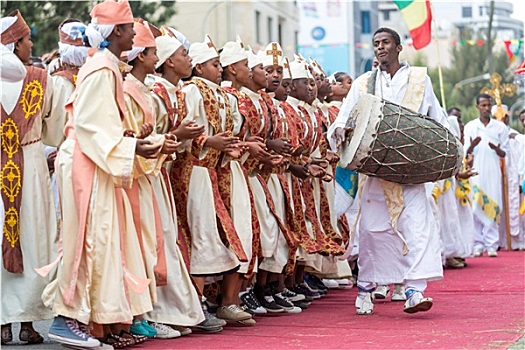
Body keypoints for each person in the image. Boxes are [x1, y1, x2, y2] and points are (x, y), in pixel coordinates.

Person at [46, 1, 162, 348]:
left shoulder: (109, 66)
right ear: (116, 33)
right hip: (87, 163)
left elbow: (105, 125)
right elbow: (89, 125)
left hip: (98, 161)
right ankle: (65, 318)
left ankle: (98, 323)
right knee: (88, 241)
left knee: (107, 243)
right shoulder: (101, 68)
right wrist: (131, 148)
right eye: (128, 28)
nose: (133, 33)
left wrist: (133, 143)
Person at [328, 27, 447, 315]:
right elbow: (341, 121)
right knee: (373, 232)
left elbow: (437, 120)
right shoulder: (363, 83)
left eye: (385, 43)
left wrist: (443, 149)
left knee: (417, 228)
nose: (380, 48)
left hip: (411, 171)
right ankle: (367, 288)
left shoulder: (420, 79)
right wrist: (340, 131)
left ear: (398, 47)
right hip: (375, 173)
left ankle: (414, 292)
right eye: (376, 44)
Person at [1, 9, 62, 345]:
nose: (31, 45)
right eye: (26, 40)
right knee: (34, 238)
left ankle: (2, 323)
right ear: (14, 44)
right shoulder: (40, 78)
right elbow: (55, 127)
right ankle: (27, 323)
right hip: (33, 165)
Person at [463, 95, 509, 257]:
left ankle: (491, 244)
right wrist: (472, 146)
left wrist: (496, 149)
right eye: (483, 105)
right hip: (476, 172)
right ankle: (478, 243)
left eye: (489, 105)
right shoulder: (470, 126)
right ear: (477, 106)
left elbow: (505, 152)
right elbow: (465, 153)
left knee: (494, 205)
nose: (487, 108)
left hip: (493, 172)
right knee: (475, 206)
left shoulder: (500, 128)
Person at [497, 105, 524, 250]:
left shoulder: (515, 136)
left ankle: (518, 242)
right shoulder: (492, 134)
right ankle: (501, 241)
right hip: (499, 179)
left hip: (514, 179)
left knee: (517, 210)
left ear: (507, 117)